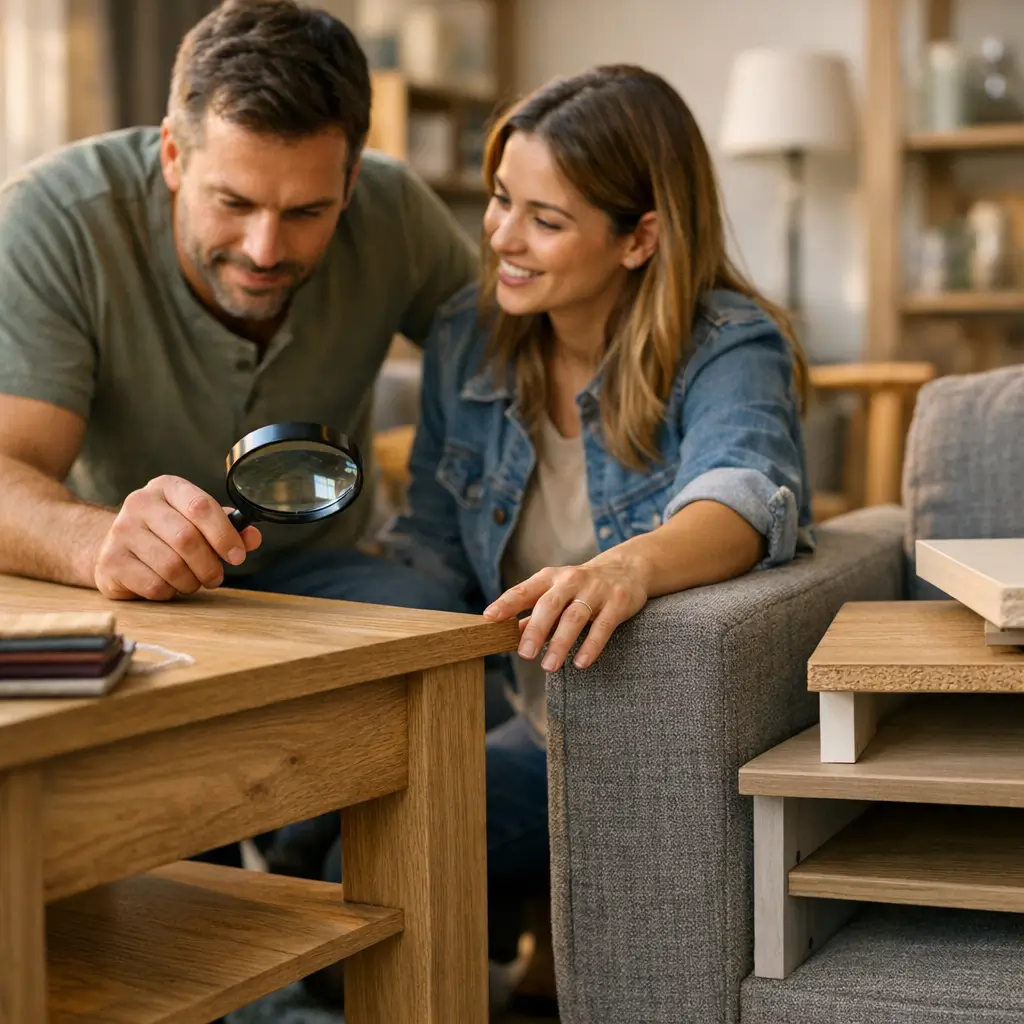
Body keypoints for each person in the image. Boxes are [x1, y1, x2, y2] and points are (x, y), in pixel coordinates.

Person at [382, 62, 815, 999]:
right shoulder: (468, 336)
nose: (501, 236)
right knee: (314, 813)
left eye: (545, 219)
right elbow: (429, 551)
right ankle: (501, 958)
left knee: (365, 838)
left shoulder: (728, 344)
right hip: (515, 717)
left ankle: (494, 959)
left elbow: (746, 494)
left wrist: (628, 566)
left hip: (628, 736)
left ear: (640, 237)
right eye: (501, 201)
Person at [0, 0, 476, 614]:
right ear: (172, 154)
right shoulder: (55, 222)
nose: (265, 250)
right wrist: (96, 543)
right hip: (124, 580)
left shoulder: (397, 214)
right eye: (233, 202)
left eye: (307, 211)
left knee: (454, 650)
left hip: (324, 572)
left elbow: (523, 355)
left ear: (351, 180)